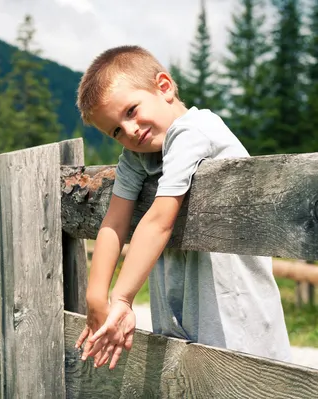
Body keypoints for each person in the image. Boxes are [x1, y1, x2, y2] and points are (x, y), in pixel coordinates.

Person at [73, 45, 291, 370]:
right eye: (116, 130)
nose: (129, 131)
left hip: (238, 326)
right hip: (189, 328)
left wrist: (120, 298)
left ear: (164, 87)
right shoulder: (138, 156)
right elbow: (114, 223)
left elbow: (159, 221)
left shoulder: (194, 131)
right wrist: (96, 298)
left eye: (131, 110)